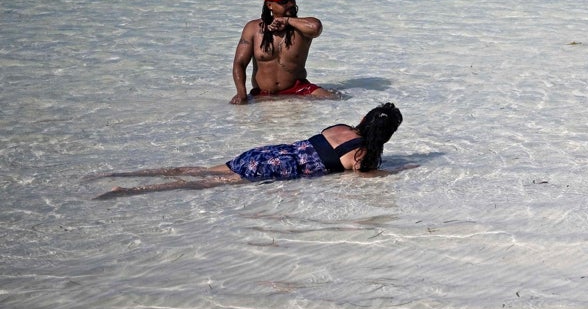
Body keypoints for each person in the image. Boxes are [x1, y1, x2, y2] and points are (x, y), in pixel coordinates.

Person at [92, 103, 403, 198]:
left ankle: (122, 173)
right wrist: (405, 168)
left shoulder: (339, 129)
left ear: (364, 118)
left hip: (264, 153)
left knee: (196, 170)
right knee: (198, 184)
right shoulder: (360, 158)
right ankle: (130, 191)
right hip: (275, 171)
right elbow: (371, 178)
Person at [231, 0, 334, 104]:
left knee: (335, 100)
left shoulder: (301, 27)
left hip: (298, 89)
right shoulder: (253, 28)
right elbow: (239, 63)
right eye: (284, 1)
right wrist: (241, 94)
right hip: (263, 93)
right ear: (269, 5)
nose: (290, 4)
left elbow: (316, 28)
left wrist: (287, 21)